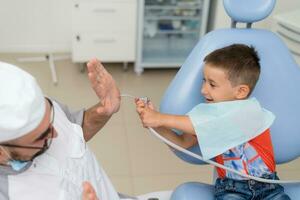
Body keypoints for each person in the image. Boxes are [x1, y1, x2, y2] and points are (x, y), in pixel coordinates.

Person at [136, 44, 291, 199]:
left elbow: (209, 125)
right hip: (231, 190)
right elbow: (182, 142)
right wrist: (156, 125)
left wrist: (160, 118)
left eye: (212, 84)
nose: (203, 90)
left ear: (241, 91)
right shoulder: (205, 115)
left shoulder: (250, 111)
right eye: (204, 81)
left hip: (269, 187)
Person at [0, 59, 121, 199]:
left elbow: (74, 130)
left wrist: (105, 110)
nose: (55, 132)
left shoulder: (39, 107)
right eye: (41, 137)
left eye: (51, 118)